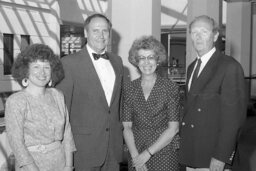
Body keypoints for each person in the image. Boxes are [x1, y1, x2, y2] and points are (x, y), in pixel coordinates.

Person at [56, 13, 124, 171]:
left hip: (112, 148)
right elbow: (61, 110)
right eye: (96, 30)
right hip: (83, 149)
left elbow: (118, 104)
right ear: (86, 33)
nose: (101, 35)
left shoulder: (117, 61)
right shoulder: (68, 63)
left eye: (105, 31)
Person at [179, 15, 247, 171]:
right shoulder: (191, 68)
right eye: (194, 32)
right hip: (192, 152)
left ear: (215, 35)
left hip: (212, 156)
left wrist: (221, 157)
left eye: (204, 31)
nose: (198, 36)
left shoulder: (229, 66)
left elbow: (234, 120)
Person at [5, 44, 76, 171]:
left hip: (60, 163)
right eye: (36, 67)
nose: (42, 72)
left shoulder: (57, 95)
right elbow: (16, 143)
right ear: (26, 70)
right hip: (31, 165)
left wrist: (69, 166)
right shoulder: (16, 101)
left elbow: (67, 134)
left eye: (46, 67)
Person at [122, 35, 180, 171]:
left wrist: (147, 154)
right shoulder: (129, 88)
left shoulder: (170, 87)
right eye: (142, 58)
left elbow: (173, 129)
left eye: (151, 57)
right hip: (136, 150)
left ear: (158, 60)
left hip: (164, 150)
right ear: (136, 61)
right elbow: (127, 127)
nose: (146, 62)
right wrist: (137, 157)